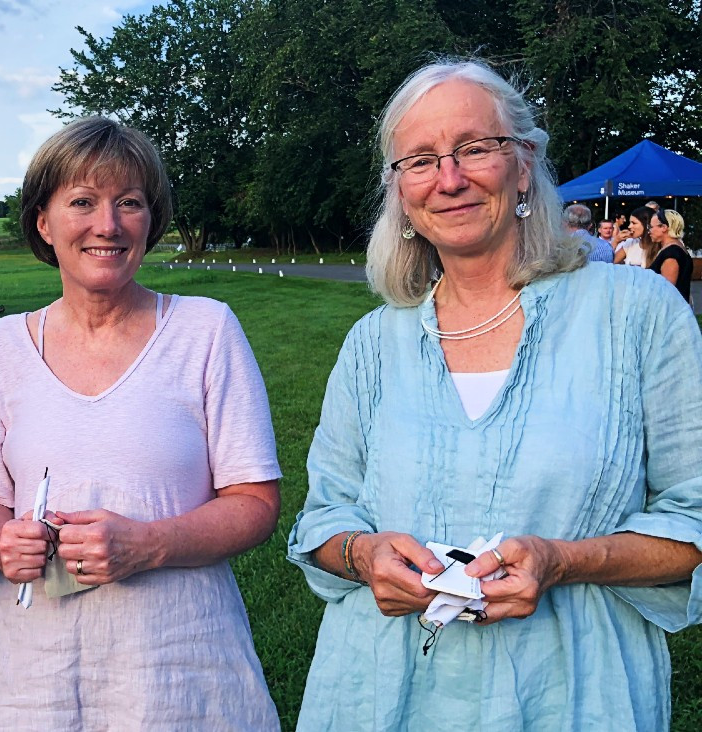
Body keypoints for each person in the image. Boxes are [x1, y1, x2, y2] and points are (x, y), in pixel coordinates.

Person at [287, 59, 702, 731]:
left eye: (475, 149)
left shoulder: (637, 314)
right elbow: (323, 518)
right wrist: (361, 555)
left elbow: (694, 522)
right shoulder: (374, 343)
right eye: (419, 161)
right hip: (380, 693)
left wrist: (566, 561)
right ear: (399, 190)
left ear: (523, 162)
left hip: (571, 696)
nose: (448, 179)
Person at [0, 117, 281, 730]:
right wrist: (1, 542)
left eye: (129, 203)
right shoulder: (1, 347)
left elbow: (256, 503)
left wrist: (149, 545)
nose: (108, 224)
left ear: (150, 221)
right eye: (83, 201)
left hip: (180, 666)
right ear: (43, 223)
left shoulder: (205, 331)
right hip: (33, 674)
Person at [649, 209, 693, 301]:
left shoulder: (671, 254)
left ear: (664, 227)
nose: (649, 231)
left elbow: (667, 292)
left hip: (670, 312)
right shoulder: (672, 249)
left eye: (651, 227)